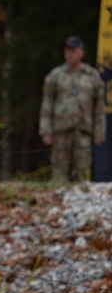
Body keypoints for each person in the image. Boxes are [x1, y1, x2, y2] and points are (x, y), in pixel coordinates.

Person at [39, 36, 106, 183]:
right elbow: (47, 103)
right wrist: (45, 130)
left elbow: (99, 107)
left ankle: (78, 204)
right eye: (67, 51)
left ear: (81, 53)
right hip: (61, 131)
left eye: (73, 51)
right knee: (58, 175)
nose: (69, 54)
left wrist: (99, 132)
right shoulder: (56, 75)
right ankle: (57, 203)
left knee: (81, 174)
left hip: (83, 131)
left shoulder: (92, 75)